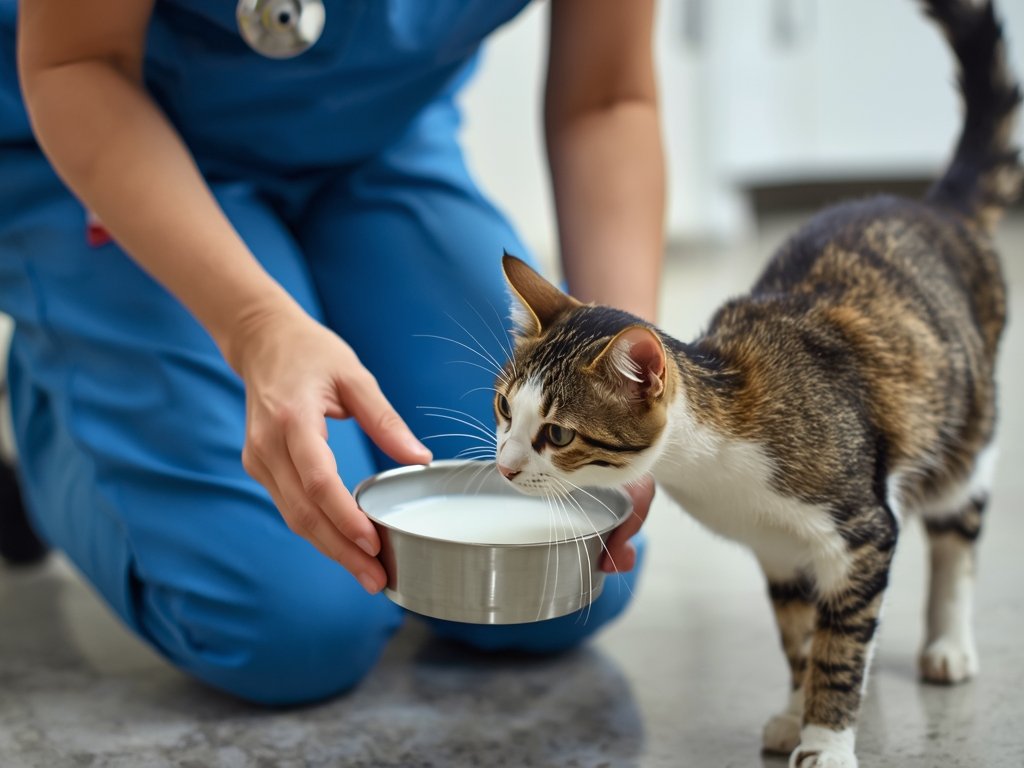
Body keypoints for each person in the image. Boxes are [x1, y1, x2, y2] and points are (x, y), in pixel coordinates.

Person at [0, 0, 665, 705]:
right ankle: (65, 407)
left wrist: (632, 399)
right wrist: (257, 325)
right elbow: (78, 61)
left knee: (563, 577)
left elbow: (608, 99)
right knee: (290, 629)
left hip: (374, 141)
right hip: (108, 135)